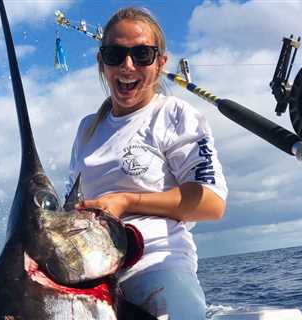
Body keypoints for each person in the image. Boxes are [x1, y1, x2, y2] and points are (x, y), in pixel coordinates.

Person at [67, 6, 228, 320]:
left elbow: (210, 203)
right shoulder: (87, 128)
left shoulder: (175, 115)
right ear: (102, 62)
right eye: (115, 54)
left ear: (160, 63)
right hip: (93, 278)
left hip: (158, 270)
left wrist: (126, 201)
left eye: (142, 54)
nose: (128, 65)